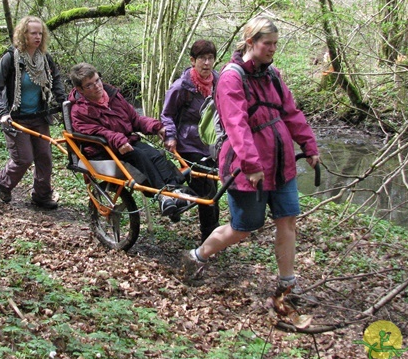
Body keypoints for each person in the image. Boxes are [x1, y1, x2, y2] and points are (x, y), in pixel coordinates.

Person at [182, 16, 320, 296]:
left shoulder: (273, 75)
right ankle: (197, 255)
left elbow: (291, 113)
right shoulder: (232, 78)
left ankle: (287, 284)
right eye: (267, 44)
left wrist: (309, 146)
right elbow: (237, 125)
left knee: (288, 219)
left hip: (281, 164)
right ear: (250, 43)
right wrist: (252, 164)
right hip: (247, 168)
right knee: (242, 228)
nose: (272, 49)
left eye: (275, 44)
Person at [69, 62, 187, 218]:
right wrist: (119, 140)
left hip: (126, 143)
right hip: (102, 150)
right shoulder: (79, 111)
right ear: (80, 90)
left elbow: (134, 119)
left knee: (155, 154)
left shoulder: (113, 95)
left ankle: (174, 190)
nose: (97, 86)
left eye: (97, 80)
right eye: (89, 85)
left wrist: (157, 127)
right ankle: (163, 196)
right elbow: (98, 132)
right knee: (139, 155)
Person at [0, 16, 66, 209]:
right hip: (15, 119)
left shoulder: (45, 59)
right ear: (24, 34)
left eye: (40, 33)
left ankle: (42, 195)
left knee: (44, 157)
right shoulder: (10, 58)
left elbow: (56, 80)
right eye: (33, 33)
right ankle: (2, 182)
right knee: (23, 158)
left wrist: (64, 103)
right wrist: (2, 113)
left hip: (39, 117)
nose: (37, 37)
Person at [161, 39, 220, 242]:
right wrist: (170, 136)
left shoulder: (219, 82)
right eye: (202, 58)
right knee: (207, 190)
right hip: (189, 143)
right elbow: (167, 115)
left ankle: (177, 201)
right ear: (193, 60)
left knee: (212, 186)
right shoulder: (181, 87)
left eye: (210, 58)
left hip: (214, 143)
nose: (206, 63)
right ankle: (210, 236)